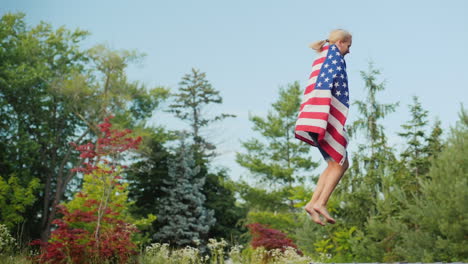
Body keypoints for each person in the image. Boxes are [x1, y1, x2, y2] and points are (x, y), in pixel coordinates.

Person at [294, 29, 352, 226]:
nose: (349, 51)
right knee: (341, 164)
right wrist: (326, 118)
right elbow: (326, 88)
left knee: (333, 164)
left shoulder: (323, 56)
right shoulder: (333, 59)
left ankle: (313, 203)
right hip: (320, 117)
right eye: (349, 46)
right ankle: (321, 203)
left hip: (313, 117)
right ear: (341, 43)